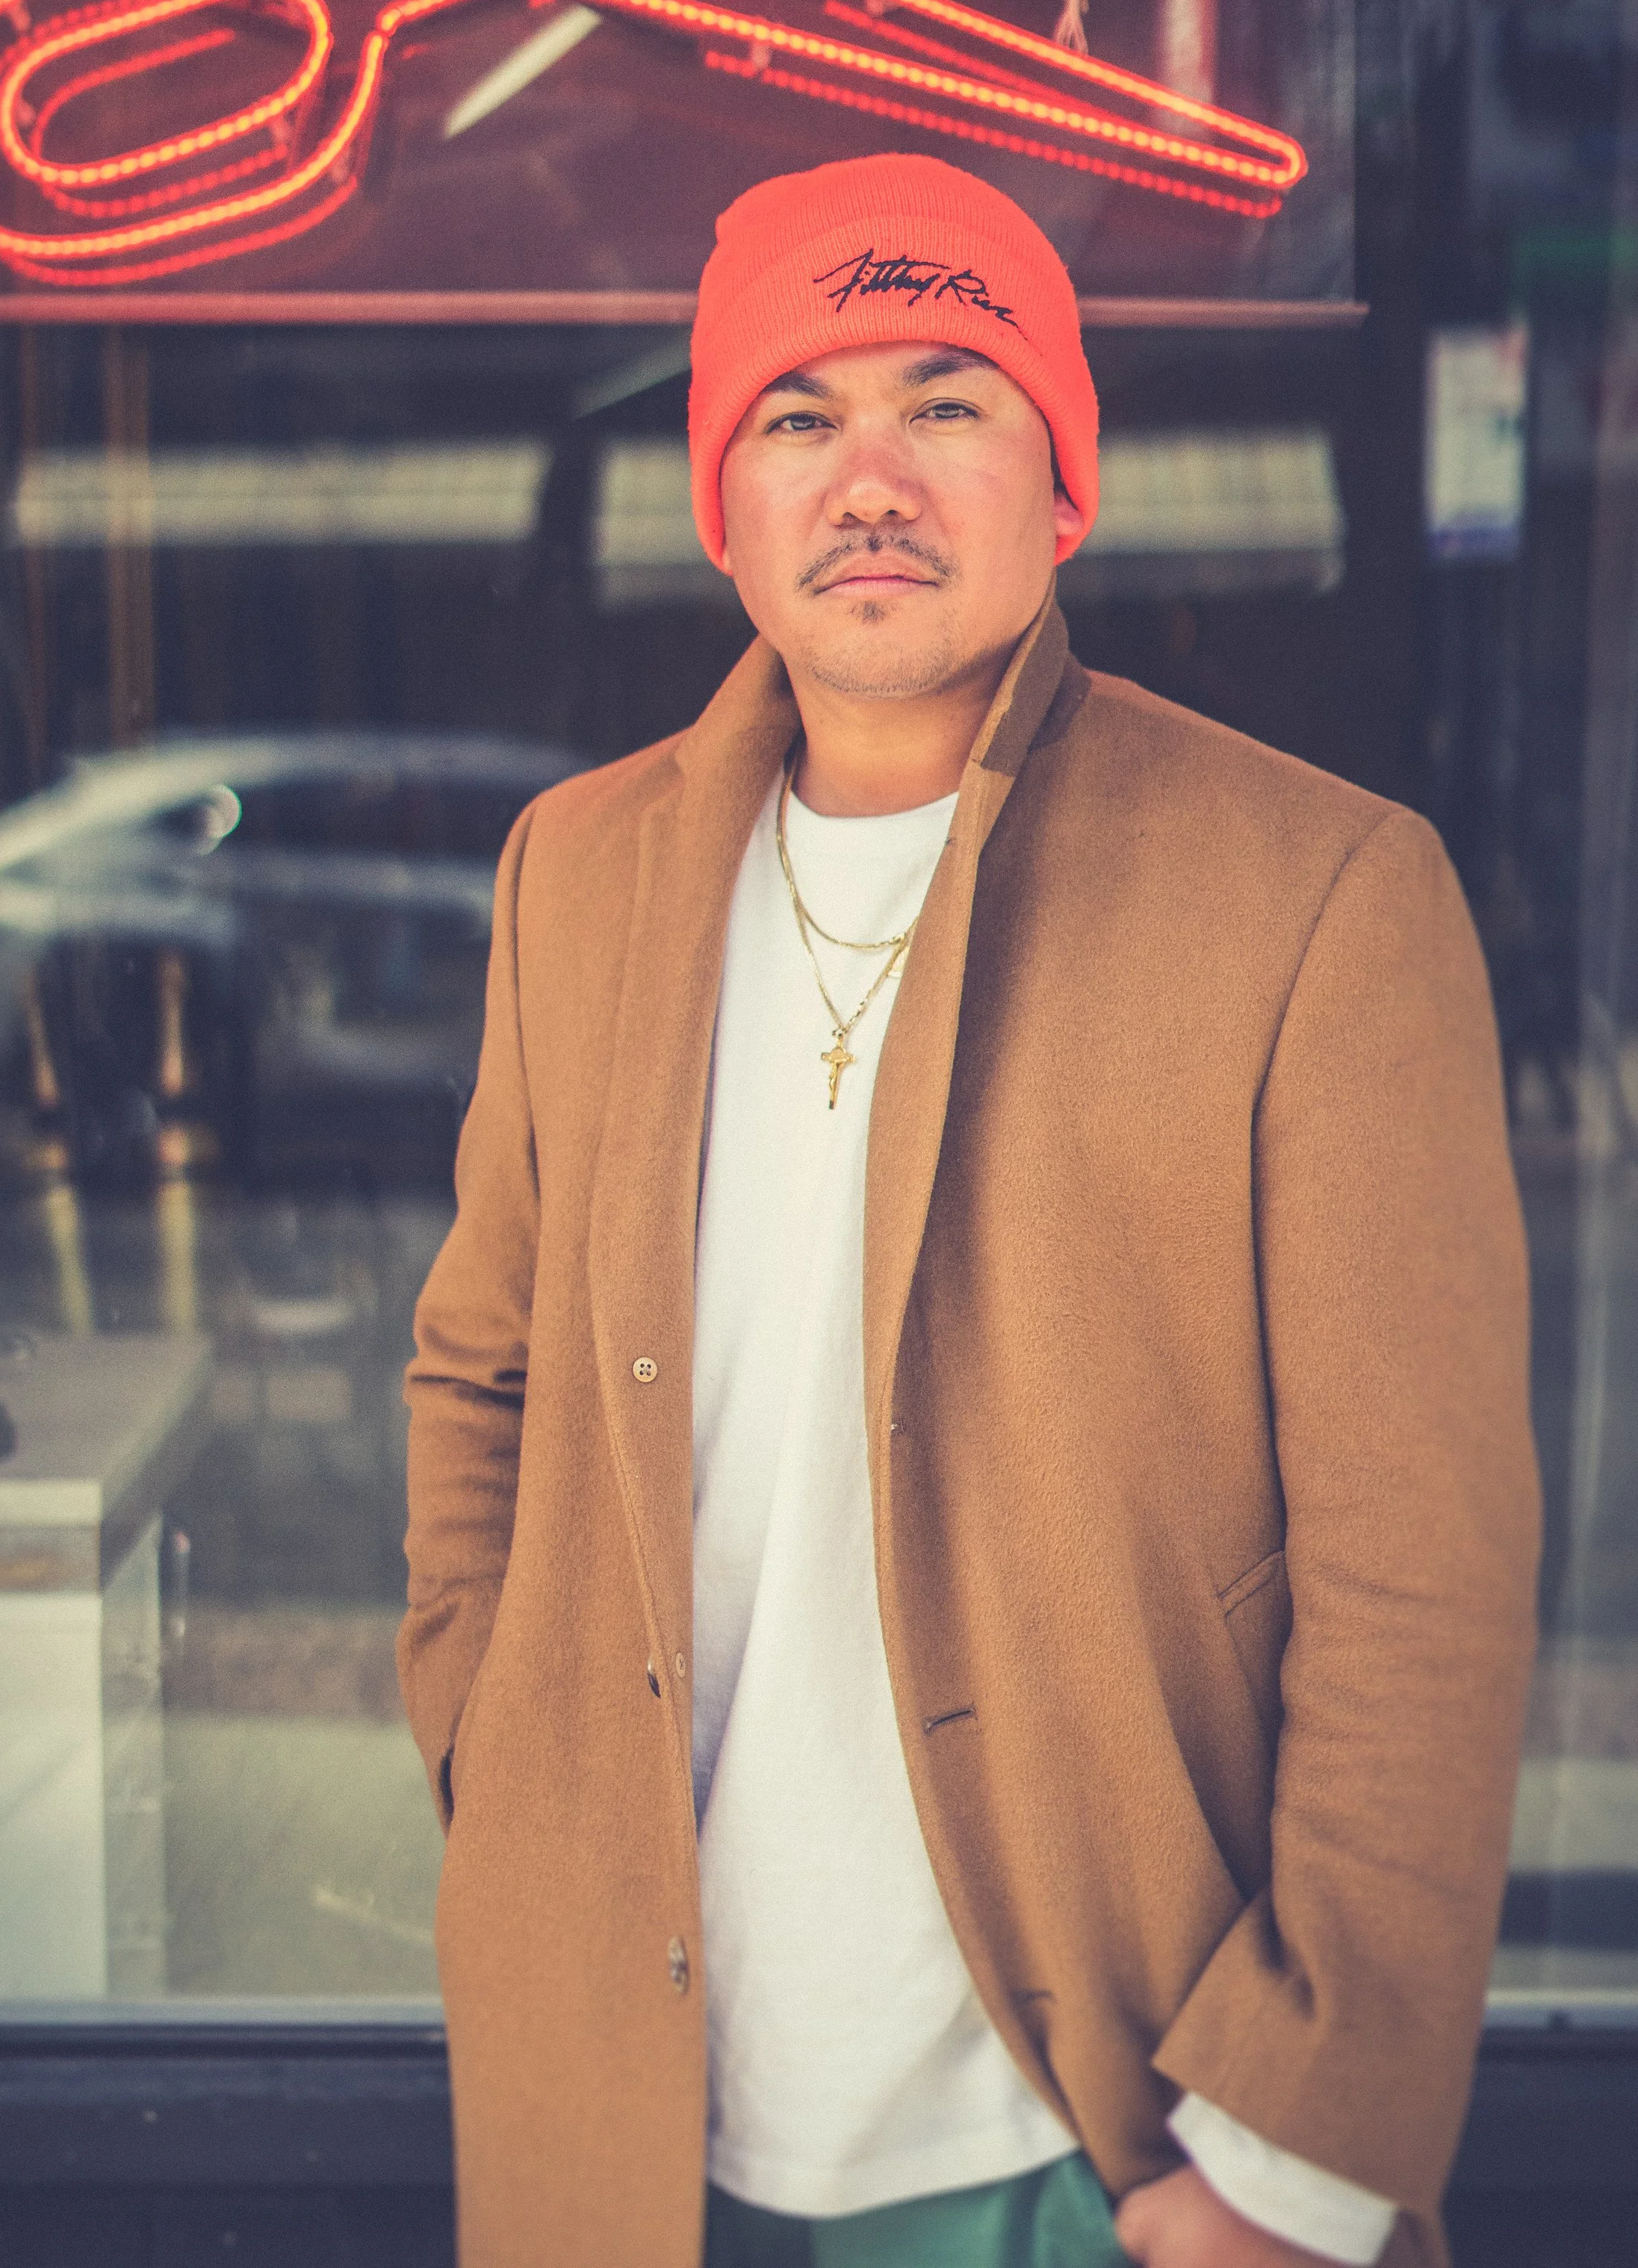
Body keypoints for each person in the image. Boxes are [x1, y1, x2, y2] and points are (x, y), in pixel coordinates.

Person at [397, 153, 1539, 2268]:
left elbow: (1423, 1574)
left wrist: (1287, 2156)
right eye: (798, 416)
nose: (870, 475)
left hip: (1096, 2129)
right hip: (632, 2113)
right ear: (719, 499)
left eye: (948, 397)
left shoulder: (1318, 897)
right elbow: (482, 1371)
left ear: (1062, 482)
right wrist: (505, 1757)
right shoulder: (579, 874)